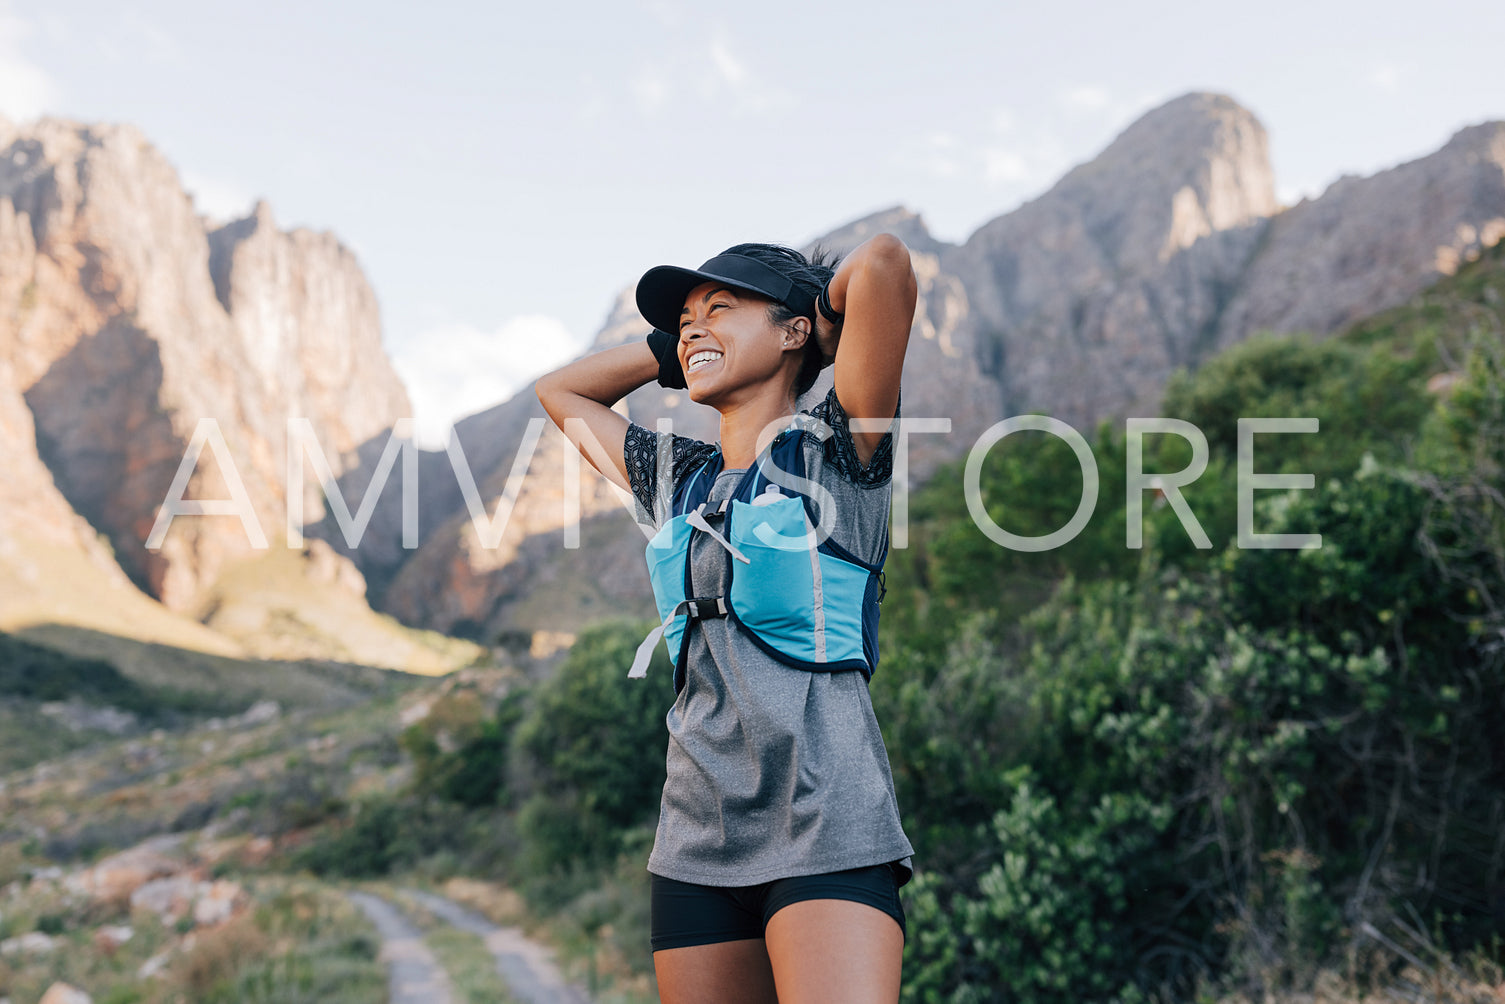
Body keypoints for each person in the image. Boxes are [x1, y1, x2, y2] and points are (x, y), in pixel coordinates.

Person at [535, 233, 918, 1004]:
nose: (692, 326)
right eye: (683, 318)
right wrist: (679, 348)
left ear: (794, 331)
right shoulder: (678, 478)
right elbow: (562, 395)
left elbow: (882, 264)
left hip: (827, 822)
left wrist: (815, 306)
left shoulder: (841, 456)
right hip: (695, 840)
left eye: (720, 307)